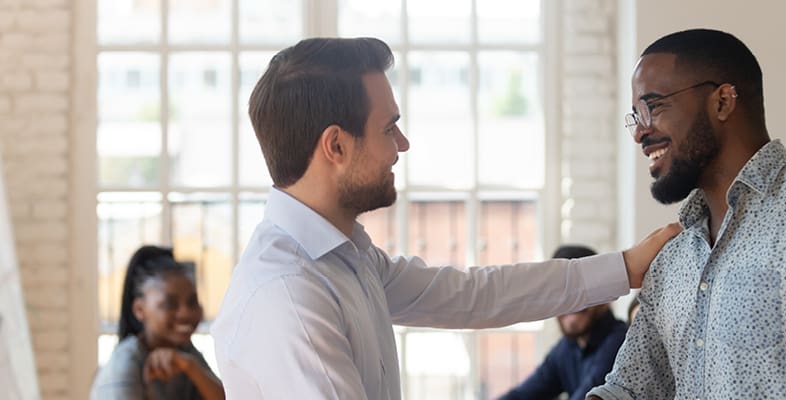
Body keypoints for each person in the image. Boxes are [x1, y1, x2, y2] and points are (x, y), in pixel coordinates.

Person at [209, 37, 681, 400]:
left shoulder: (347, 256)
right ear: (336, 145)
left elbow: (473, 295)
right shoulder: (290, 293)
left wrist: (625, 267)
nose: (403, 144)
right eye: (388, 127)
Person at [586, 29, 786, 399]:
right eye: (636, 115)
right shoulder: (672, 254)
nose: (640, 132)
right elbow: (631, 389)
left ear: (723, 101)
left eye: (655, 106)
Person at [90, 246, 225, 400]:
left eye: (192, 302)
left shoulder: (186, 354)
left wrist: (191, 367)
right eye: (170, 304)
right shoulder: (124, 365)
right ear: (139, 309)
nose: (185, 313)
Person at [498, 245, 628, 400]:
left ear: (604, 294)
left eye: (580, 291)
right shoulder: (566, 349)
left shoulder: (622, 343)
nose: (570, 303)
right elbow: (522, 395)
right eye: (559, 293)